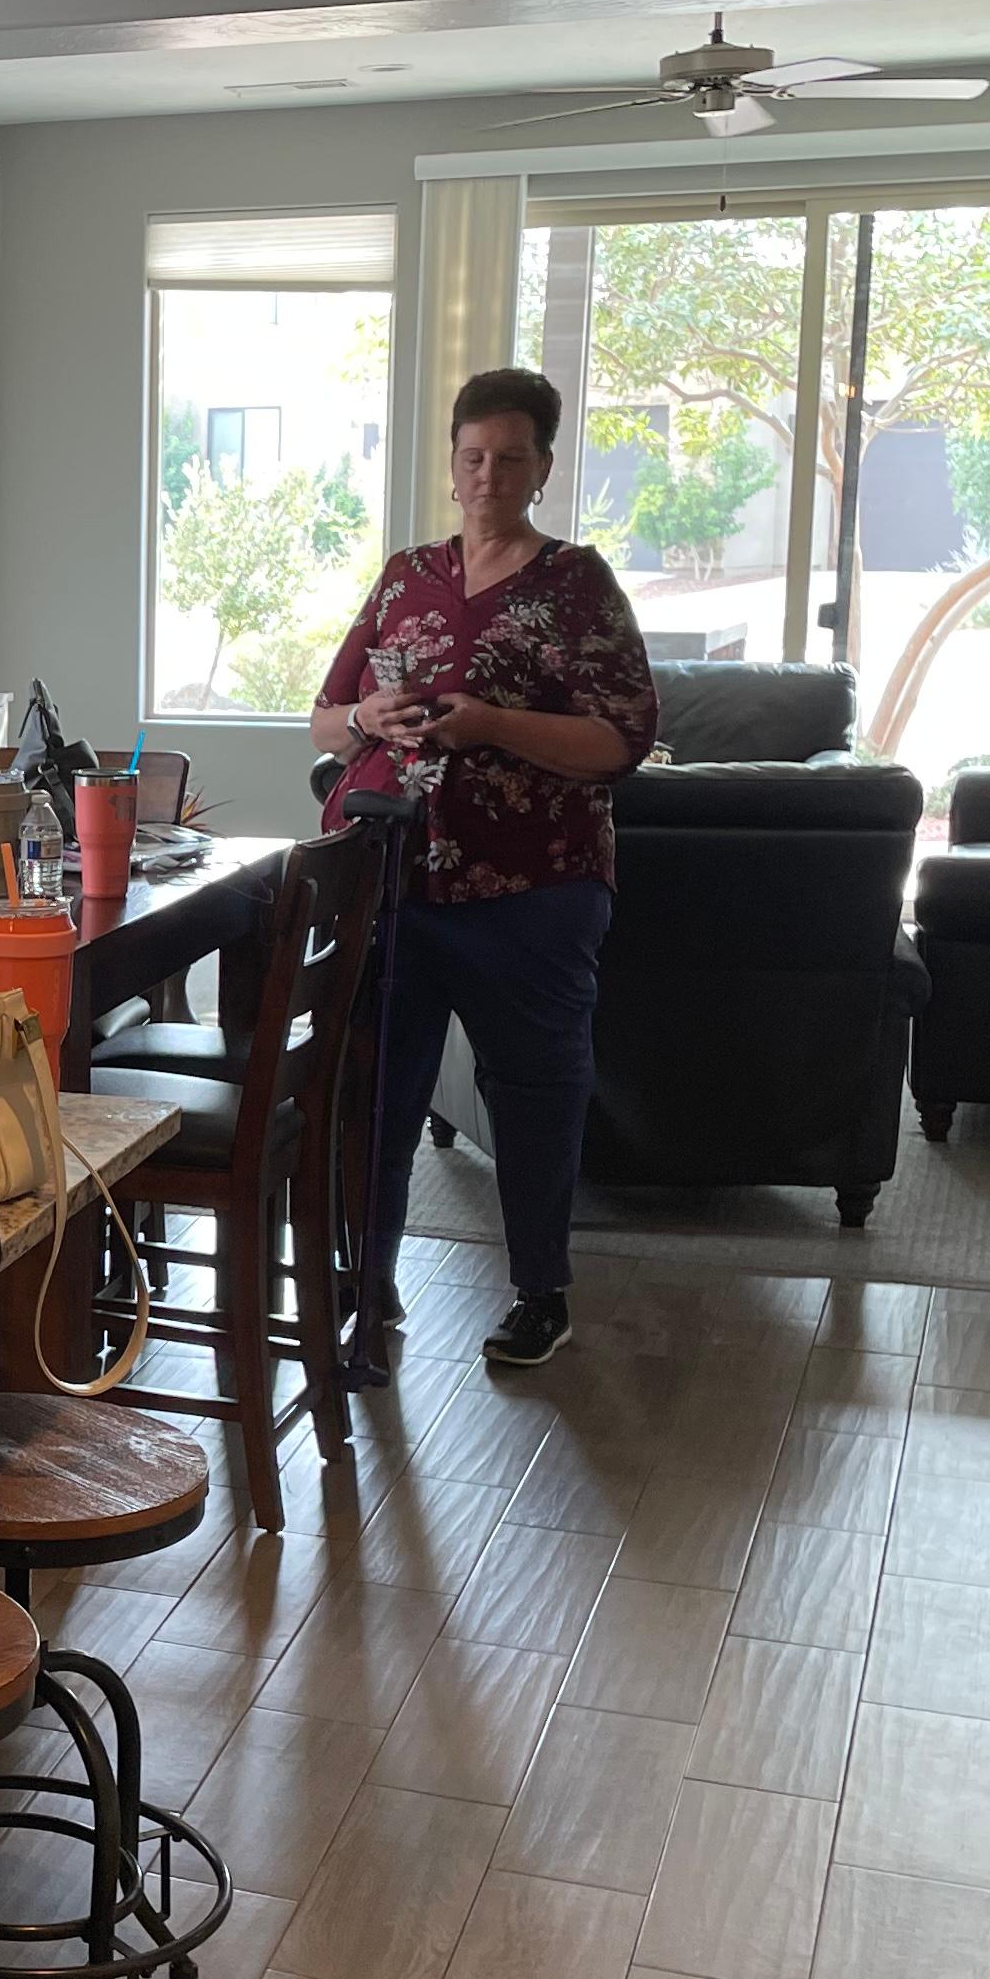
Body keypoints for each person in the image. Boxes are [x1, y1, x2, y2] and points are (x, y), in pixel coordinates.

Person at [312, 367, 656, 1368]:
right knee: (377, 1091)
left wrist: (490, 723)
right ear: (452, 464)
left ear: (543, 467)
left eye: (511, 459)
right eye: (472, 458)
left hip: (533, 888)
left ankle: (540, 1293)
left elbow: (623, 739)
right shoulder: (404, 572)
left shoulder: (577, 585)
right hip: (392, 877)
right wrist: (367, 719)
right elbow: (327, 716)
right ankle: (366, 1294)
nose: (488, 476)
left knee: (535, 1089)